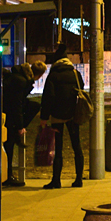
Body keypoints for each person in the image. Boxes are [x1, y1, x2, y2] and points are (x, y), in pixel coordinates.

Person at [38, 56, 86, 188]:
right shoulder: (75, 73)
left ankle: (56, 180)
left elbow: (48, 97)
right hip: (73, 114)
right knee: (77, 146)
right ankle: (78, 179)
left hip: (57, 115)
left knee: (58, 148)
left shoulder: (53, 75)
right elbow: (81, 88)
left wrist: (44, 117)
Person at [1, 63, 35, 187]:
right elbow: (17, 105)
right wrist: (20, 126)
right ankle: (7, 175)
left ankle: (7, 174)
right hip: (9, 118)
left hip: (6, 115)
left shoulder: (12, 78)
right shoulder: (20, 82)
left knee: (7, 146)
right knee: (8, 146)